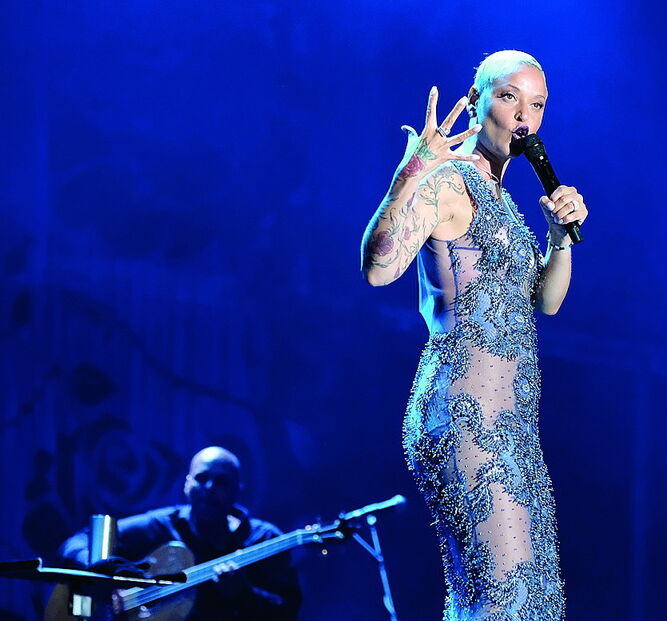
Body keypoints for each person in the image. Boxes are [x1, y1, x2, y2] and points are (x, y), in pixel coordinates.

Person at [361, 50, 587, 620]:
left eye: (536, 105)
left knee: (515, 598)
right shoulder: (450, 182)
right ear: (480, 98)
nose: (523, 117)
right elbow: (379, 267)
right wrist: (409, 176)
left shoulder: (506, 203)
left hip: (510, 425)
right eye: (509, 97)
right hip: (464, 416)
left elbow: (547, 302)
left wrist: (559, 237)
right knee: (506, 599)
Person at [52, 446, 301, 620]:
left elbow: (287, 612)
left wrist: (244, 594)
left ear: (238, 490)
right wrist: (104, 574)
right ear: (187, 484)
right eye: (202, 478)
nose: (210, 488)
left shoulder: (266, 539)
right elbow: (75, 543)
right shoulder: (159, 526)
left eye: (221, 482)